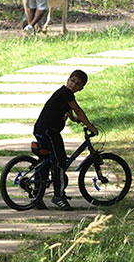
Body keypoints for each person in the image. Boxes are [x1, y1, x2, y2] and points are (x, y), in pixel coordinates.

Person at [33, 70, 98, 210]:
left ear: (81, 88)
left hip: (41, 129)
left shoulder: (64, 95)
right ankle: (58, 196)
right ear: (68, 79)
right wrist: (90, 127)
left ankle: (36, 196)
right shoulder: (66, 93)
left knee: (45, 162)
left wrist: (73, 119)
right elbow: (79, 110)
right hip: (50, 132)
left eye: (78, 84)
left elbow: (68, 110)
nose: (73, 85)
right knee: (60, 162)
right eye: (72, 81)